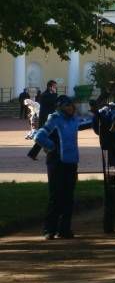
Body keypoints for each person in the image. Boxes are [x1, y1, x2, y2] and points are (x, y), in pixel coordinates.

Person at [33, 95, 92, 239]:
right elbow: (39, 136)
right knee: (56, 197)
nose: (71, 108)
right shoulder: (54, 119)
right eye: (68, 105)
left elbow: (89, 122)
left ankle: (64, 229)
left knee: (68, 198)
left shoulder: (74, 120)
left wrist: (98, 113)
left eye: (72, 105)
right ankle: (49, 230)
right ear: (60, 107)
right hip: (56, 163)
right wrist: (52, 146)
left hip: (71, 163)